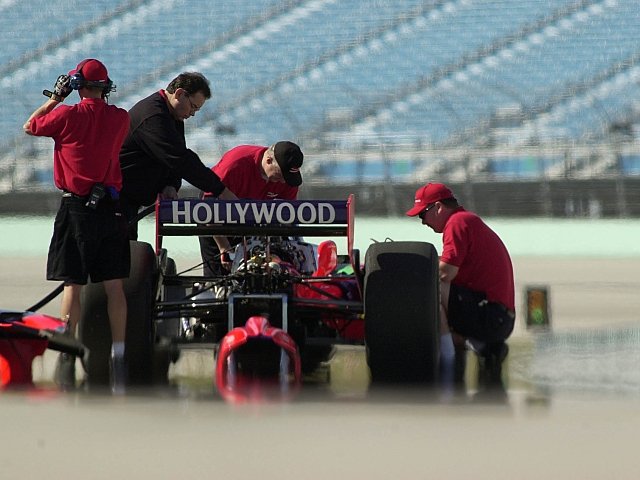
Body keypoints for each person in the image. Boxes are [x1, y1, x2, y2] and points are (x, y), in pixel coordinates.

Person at [23, 59, 130, 393]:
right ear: (105, 87)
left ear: (77, 85)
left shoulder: (67, 115)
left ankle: (68, 355)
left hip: (76, 207)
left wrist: (56, 98)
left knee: (73, 284)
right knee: (114, 286)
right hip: (110, 208)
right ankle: (119, 356)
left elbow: (30, 126)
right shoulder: (121, 118)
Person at [406, 182, 515, 385]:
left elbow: (445, 273)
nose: (423, 222)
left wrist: (410, 273)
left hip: (492, 316)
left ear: (438, 207)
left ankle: (448, 358)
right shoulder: (466, 221)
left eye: (422, 215)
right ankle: (480, 347)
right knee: (437, 298)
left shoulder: (457, 223)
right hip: (498, 316)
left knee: (429, 291)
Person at [118, 72, 236, 238]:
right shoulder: (153, 116)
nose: (192, 113)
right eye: (193, 106)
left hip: (130, 199)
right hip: (117, 199)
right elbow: (179, 159)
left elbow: (174, 156)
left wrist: (170, 184)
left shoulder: (172, 116)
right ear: (179, 93)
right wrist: (220, 190)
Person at [199, 141, 304, 276]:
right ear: (268, 161)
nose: (283, 182)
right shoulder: (236, 164)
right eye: (279, 176)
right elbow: (208, 208)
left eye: (287, 178)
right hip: (218, 217)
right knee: (219, 273)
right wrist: (224, 246)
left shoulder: (288, 180)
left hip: (255, 219)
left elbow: (288, 217)